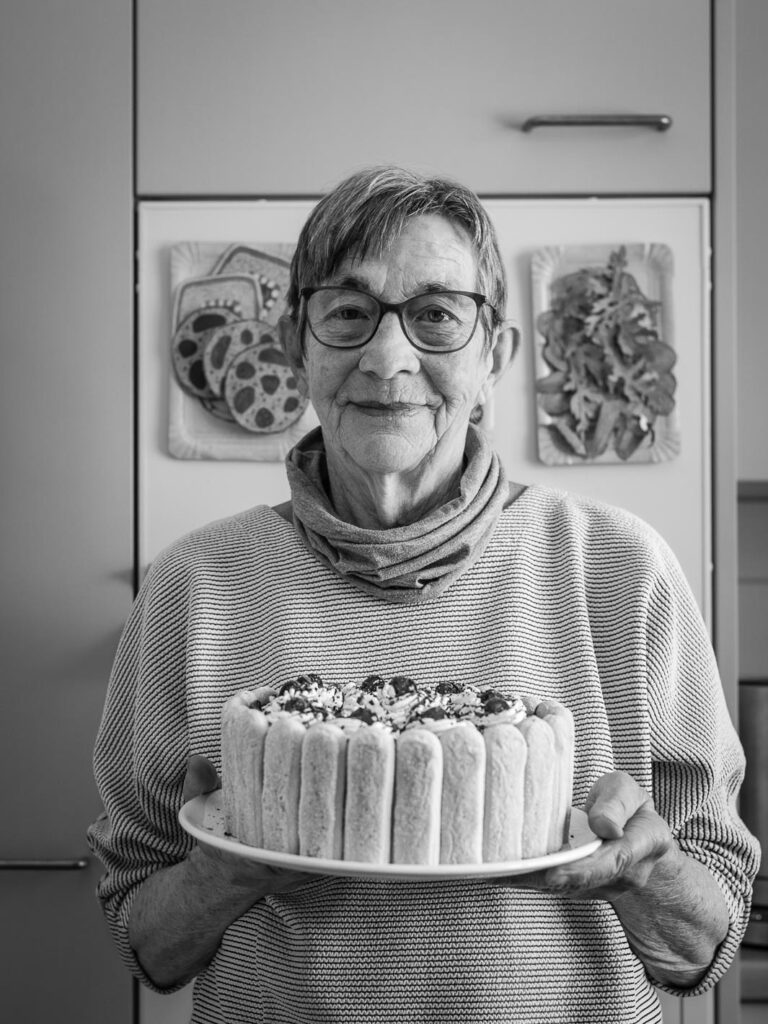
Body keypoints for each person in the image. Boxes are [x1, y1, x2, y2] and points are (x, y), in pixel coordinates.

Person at [88, 166, 759, 1024]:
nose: (387, 356)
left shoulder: (620, 571)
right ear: (299, 342)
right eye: (348, 312)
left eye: (438, 315)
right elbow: (143, 941)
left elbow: (710, 941)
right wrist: (232, 866)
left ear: (495, 360)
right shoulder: (197, 584)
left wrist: (648, 871)